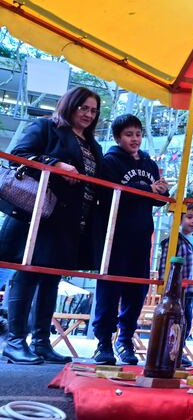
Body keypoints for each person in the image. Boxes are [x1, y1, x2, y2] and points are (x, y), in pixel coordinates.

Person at [0, 87, 104, 364]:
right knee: (28, 273)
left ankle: (42, 341)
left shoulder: (94, 145)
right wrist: (56, 164)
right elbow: (20, 154)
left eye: (93, 110)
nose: (89, 114)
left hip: (70, 222)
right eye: (84, 108)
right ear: (69, 105)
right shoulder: (47, 126)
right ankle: (14, 341)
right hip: (39, 215)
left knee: (52, 278)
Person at [91, 114, 169, 365]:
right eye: (128, 134)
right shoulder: (110, 162)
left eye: (137, 134)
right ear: (117, 137)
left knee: (137, 289)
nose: (134, 139)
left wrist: (162, 190)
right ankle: (103, 341)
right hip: (115, 234)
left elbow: (157, 199)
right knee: (110, 286)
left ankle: (125, 338)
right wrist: (148, 190)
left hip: (142, 234)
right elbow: (110, 192)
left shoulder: (148, 162)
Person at [158, 203, 193, 367]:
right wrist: (166, 285)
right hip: (176, 291)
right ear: (180, 218)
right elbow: (164, 264)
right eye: (189, 217)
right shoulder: (173, 241)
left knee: (187, 321)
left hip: (190, 291)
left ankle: (178, 350)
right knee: (174, 321)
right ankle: (169, 352)